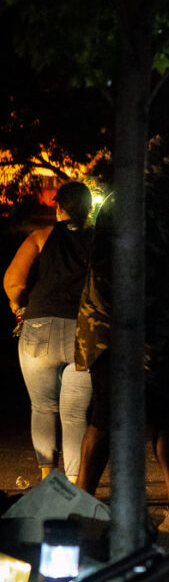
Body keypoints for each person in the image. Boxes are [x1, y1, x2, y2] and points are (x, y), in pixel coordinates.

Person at [75, 147, 169, 534]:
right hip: (115, 329)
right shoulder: (132, 206)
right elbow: (122, 275)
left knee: (166, 414)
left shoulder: (156, 206)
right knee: (106, 416)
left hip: (147, 327)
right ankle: (83, 503)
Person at [4, 182, 94, 484]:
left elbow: (13, 282)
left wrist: (19, 305)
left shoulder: (40, 237)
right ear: (90, 209)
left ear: (59, 206)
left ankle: (46, 477)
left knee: (42, 406)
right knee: (75, 414)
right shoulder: (100, 241)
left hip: (39, 327)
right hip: (83, 330)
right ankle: (72, 483)